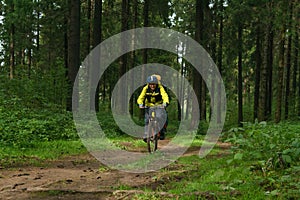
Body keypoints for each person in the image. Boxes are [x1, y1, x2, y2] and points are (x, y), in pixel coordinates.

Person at [137, 75, 169, 142]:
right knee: (146, 119)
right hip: (149, 105)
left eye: (154, 84)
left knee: (160, 117)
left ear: (156, 84)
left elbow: (165, 95)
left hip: (159, 105)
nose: (152, 86)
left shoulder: (160, 88)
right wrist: (140, 104)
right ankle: (146, 134)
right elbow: (141, 97)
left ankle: (161, 132)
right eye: (151, 84)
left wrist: (165, 103)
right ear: (148, 84)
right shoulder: (145, 88)